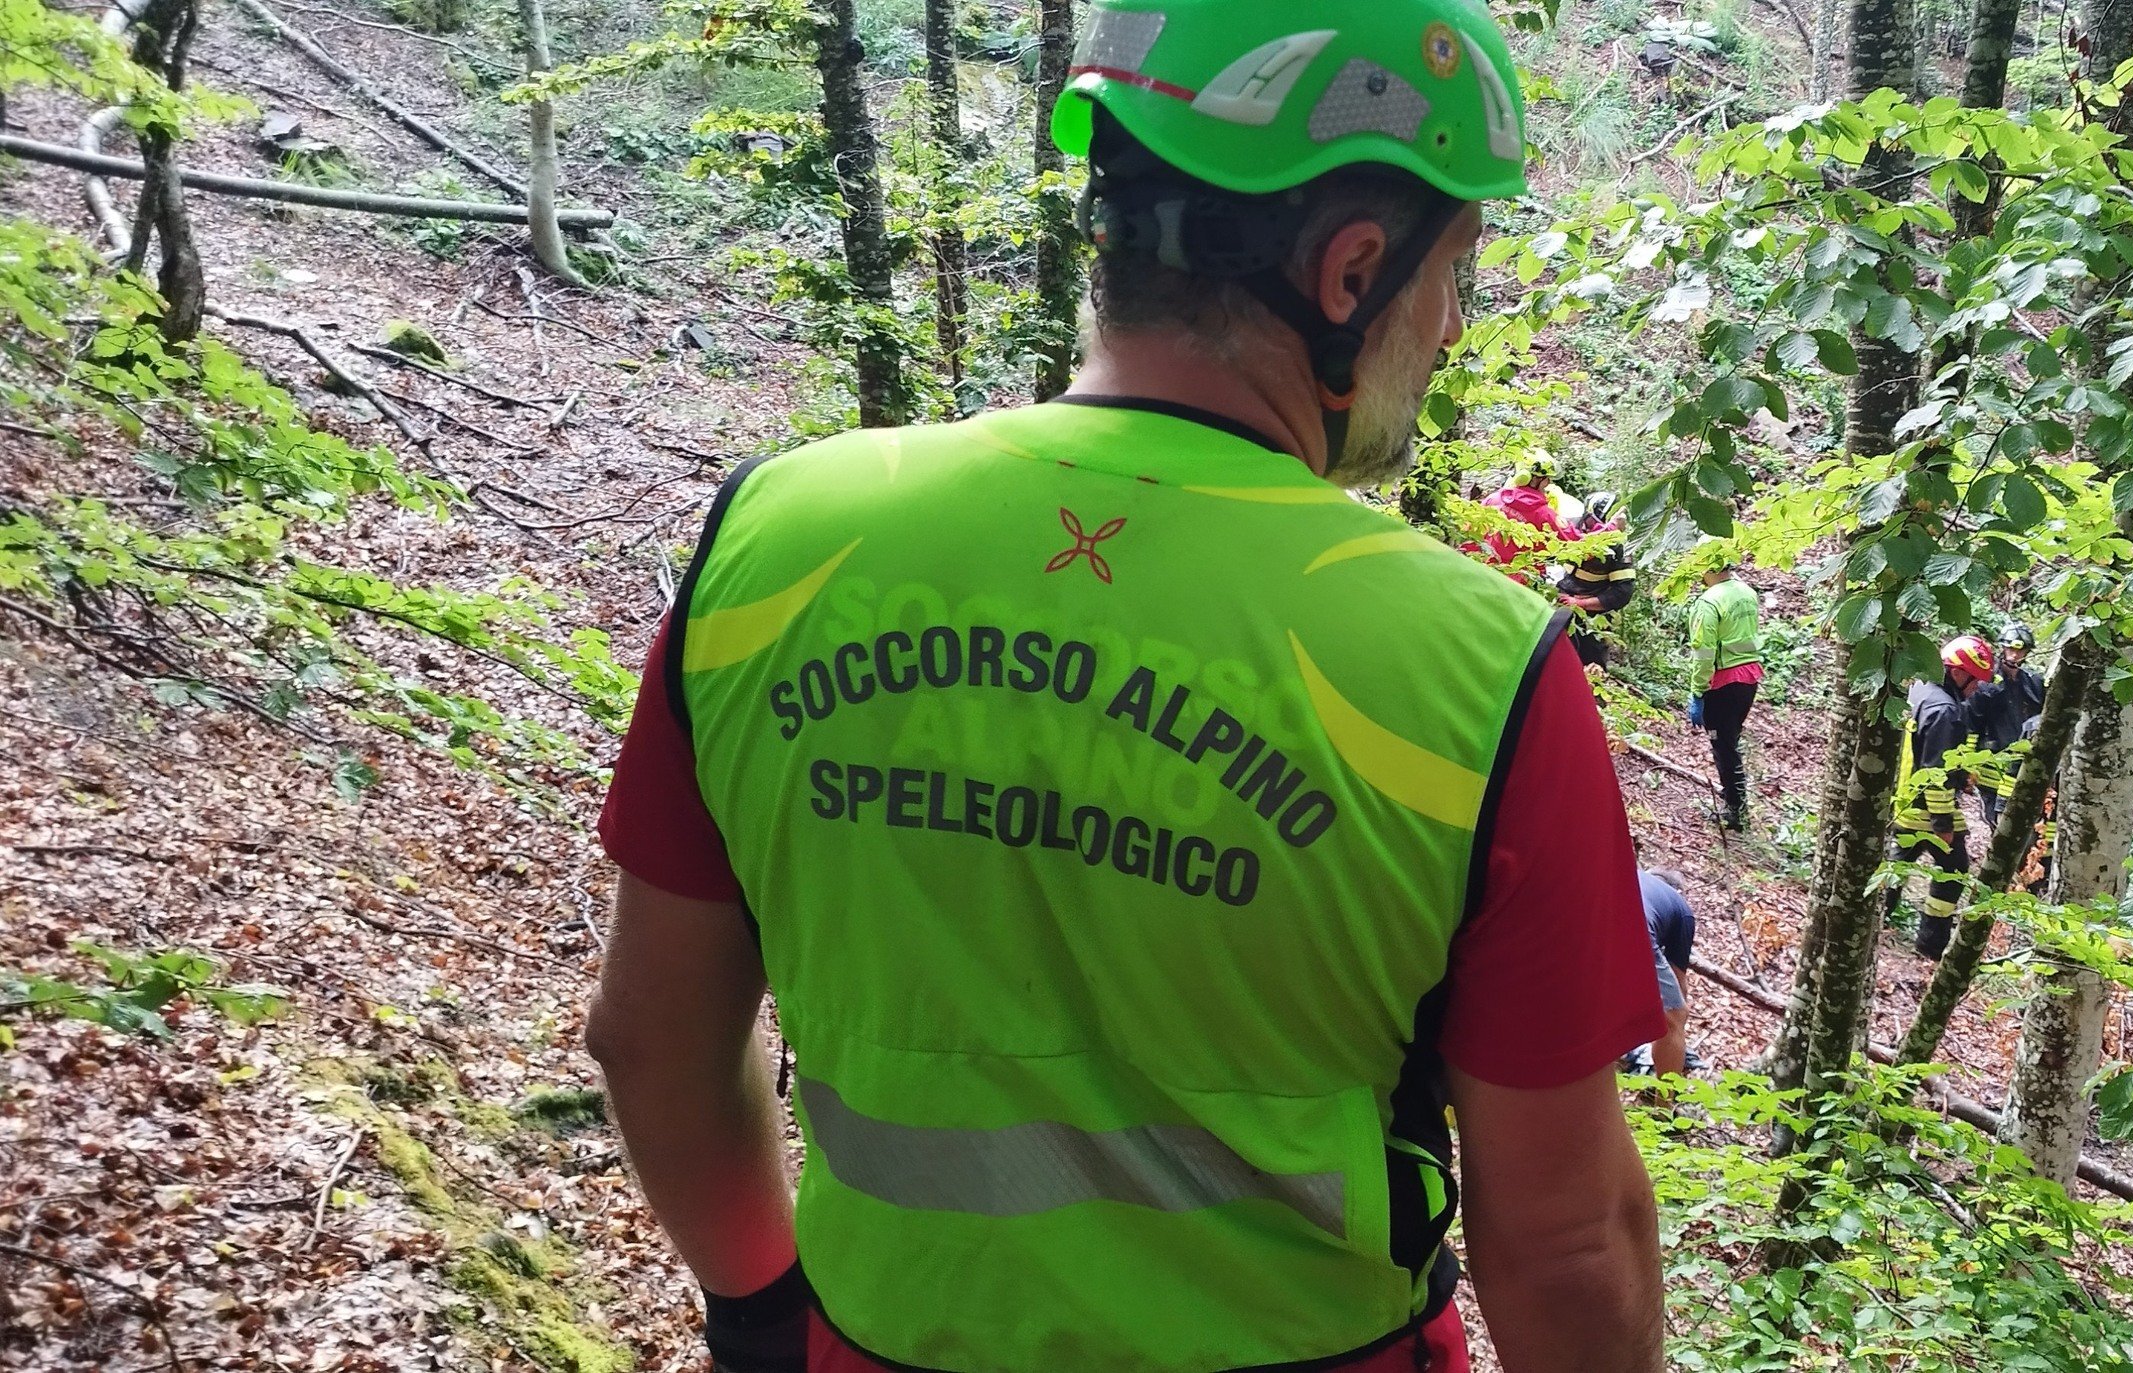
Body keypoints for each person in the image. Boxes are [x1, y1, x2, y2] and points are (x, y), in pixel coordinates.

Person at [583, 7, 1667, 1371]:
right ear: (1350, 271)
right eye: (1457, 273)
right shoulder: (1475, 668)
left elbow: (649, 1041)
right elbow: (1566, 1246)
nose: (1450, 326)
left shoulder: (779, 536)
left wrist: (759, 1318)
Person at [1901, 637, 1996, 959]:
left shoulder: (1921, 690)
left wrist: (1963, 775)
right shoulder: (1945, 710)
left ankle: (1872, 919)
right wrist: (1943, 824)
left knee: (1897, 864)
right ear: (1958, 673)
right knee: (1953, 871)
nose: (1976, 690)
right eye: (1975, 681)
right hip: (1925, 810)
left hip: (1904, 799)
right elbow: (1935, 770)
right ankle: (1931, 944)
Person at [1684, 542, 1762, 830]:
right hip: (1749, 678)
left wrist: (1697, 691)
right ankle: (1734, 798)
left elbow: (1703, 653)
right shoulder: (1746, 593)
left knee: (1723, 745)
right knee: (1730, 741)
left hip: (1723, 683)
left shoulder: (1708, 603)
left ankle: (1736, 812)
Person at [1966, 626, 2045, 833]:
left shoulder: (2034, 683)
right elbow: (1972, 726)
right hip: (1992, 767)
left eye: (2020, 650)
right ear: (2002, 648)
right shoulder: (1986, 683)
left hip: (2022, 766)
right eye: (2010, 649)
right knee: (1998, 825)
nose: (2015, 654)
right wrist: (1969, 765)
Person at [1555, 501, 1635, 668]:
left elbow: (1622, 592)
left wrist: (1581, 604)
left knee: (1590, 665)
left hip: (1593, 619)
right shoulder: (1576, 536)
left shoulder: (1618, 549)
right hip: (1562, 607)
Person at [1633, 867, 1697, 1075]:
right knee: (1674, 1016)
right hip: (1634, 926)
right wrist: (1679, 1033)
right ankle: (1663, 1105)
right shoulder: (1681, 909)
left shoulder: (1634, 874)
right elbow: (1679, 984)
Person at [1480, 456, 1569, 566]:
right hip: (1516, 576)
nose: (1549, 483)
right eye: (1547, 479)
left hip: (1480, 565)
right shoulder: (1545, 514)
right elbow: (1570, 540)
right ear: (1540, 480)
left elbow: (1470, 529)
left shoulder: (1493, 499)